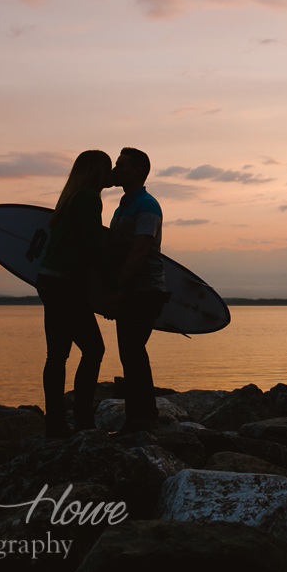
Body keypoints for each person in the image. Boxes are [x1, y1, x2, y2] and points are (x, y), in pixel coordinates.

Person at [36, 150, 117, 438]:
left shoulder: (72, 197)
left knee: (57, 355)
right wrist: (112, 288)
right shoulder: (88, 199)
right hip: (64, 285)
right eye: (108, 167)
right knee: (94, 349)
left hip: (49, 280)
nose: (112, 173)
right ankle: (82, 421)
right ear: (97, 171)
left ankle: (55, 423)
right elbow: (95, 247)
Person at [109, 147, 166, 432]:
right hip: (129, 288)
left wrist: (116, 287)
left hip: (146, 289)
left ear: (136, 171)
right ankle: (137, 417)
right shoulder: (124, 204)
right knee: (128, 353)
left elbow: (139, 251)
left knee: (132, 350)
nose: (115, 169)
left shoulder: (147, 205)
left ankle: (144, 418)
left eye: (120, 165)